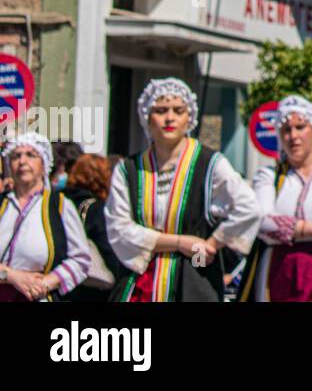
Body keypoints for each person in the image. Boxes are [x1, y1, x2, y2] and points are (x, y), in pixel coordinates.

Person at [104, 77, 260, 301]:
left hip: (194, 270)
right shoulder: (129, 169)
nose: (170, 118)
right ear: (147, 118)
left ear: (190, 118)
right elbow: (118, 226)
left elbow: (249, 207)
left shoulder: (210, 164)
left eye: (178, 110)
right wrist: (179, 242)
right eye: (161, 110)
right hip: (141, 276)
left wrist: (212, 243)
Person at [240, 95, 312, 301]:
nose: (293, 136)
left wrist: (287, 228)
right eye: (286, 130)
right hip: (278, 273)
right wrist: (311, 229)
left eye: (300, 127)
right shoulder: (270, 176)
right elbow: (262, 220)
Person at [0, 132, 93, 301]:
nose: (22, 162)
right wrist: (11, 276)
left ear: (43, 164)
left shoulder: (59, 205)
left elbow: (80, 259)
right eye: (16, 156)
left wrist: (44, 284)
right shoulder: (2, 203)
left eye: (30, 155)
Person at [63, 153, 127, 301]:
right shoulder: (96, 209)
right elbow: (109, 252)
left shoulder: (56, 200)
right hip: (90, 290)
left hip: (60, 284)